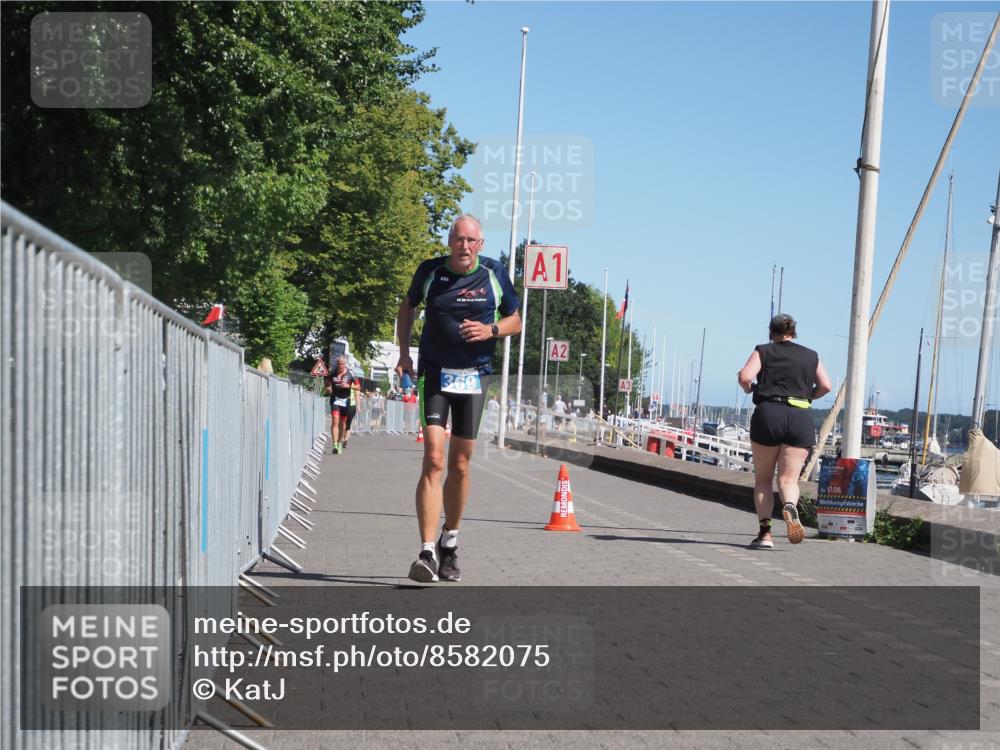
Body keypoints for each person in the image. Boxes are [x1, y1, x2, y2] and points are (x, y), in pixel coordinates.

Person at [396, 214, 521, 582]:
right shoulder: (431, 271)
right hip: (435, 374)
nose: (464, 246)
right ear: (449, 241)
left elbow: (516, 320)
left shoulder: (495, 274)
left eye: (471, 240)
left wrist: (491, 329)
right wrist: (404, 352)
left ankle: (449, 541)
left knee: (460, 465)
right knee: (434, 457)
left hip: (474, 379)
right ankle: (426, 551)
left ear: (480, 245)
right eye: (458, 239)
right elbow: (408, 306)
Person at [738, 314, 832, 549]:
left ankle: (765, 533)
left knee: (763, 479)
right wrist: (808, 395)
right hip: (800, 416)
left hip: (769, 413)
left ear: (771, 332)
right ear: (794, 332)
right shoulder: (811, 356)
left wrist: (750, 389)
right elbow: (826, 386)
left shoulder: (763, 350)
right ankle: (790, 505)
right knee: (789, 479)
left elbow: (745, 376)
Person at [326, 356, 360, 454]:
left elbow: (358, 387)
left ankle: (340, 442)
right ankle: (335, 444)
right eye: (338, 364)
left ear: (345, 364)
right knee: (335, 420)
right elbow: (327, 383)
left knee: (343, 423)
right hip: (335, 400)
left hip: (346, 401)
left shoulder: (351, 374)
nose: (340, 366)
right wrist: (328, 388)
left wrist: (349, 385)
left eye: (342, 364)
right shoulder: (332, 373)